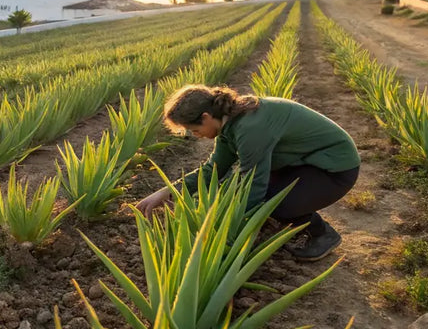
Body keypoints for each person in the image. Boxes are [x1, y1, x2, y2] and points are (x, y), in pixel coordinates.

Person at [137, 85, 360, 261]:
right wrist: (165, 192)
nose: (196, 135)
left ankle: (323, 234)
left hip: (335, 168)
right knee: (239, 188)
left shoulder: (250, 129)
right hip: (302, 162)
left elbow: (255, 186)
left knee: (275, 204)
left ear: (206, 117)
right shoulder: (229, 123)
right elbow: (212, 170)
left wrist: (225, 233)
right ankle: (298, 215)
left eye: (195, 130)